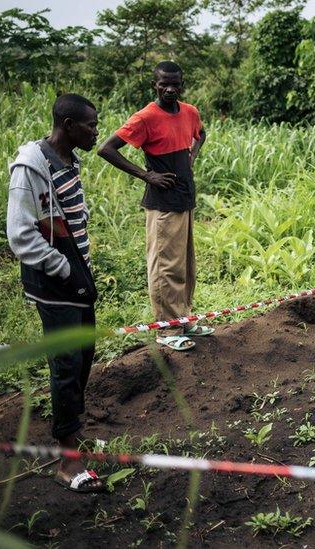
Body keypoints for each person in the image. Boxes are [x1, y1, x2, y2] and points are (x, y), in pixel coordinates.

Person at [7, 93, 106, 493]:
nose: (96, 132)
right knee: (65, 365)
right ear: (68, 125)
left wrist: (77, 264)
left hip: (75, 271)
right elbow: (20, 233)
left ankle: (72, 434)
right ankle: (67, 462)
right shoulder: (31, 168)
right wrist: (62, 267)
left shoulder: (68, 161)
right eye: (90, 126)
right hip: (54, 280)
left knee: (83, 355)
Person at [98, 61, 212, 352]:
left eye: (175, 83)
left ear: (182, 84)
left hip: (185, 198)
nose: (170, 89)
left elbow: (201, 134)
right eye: (164, 84)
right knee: (165, 267)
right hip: (162, 204)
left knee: (185, 265)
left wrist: (191, 157)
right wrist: (146, 174)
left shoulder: (190, 112)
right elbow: (106, 149)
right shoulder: (145, 117)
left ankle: (183, 319)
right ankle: (165, 329)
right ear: (155, 85)